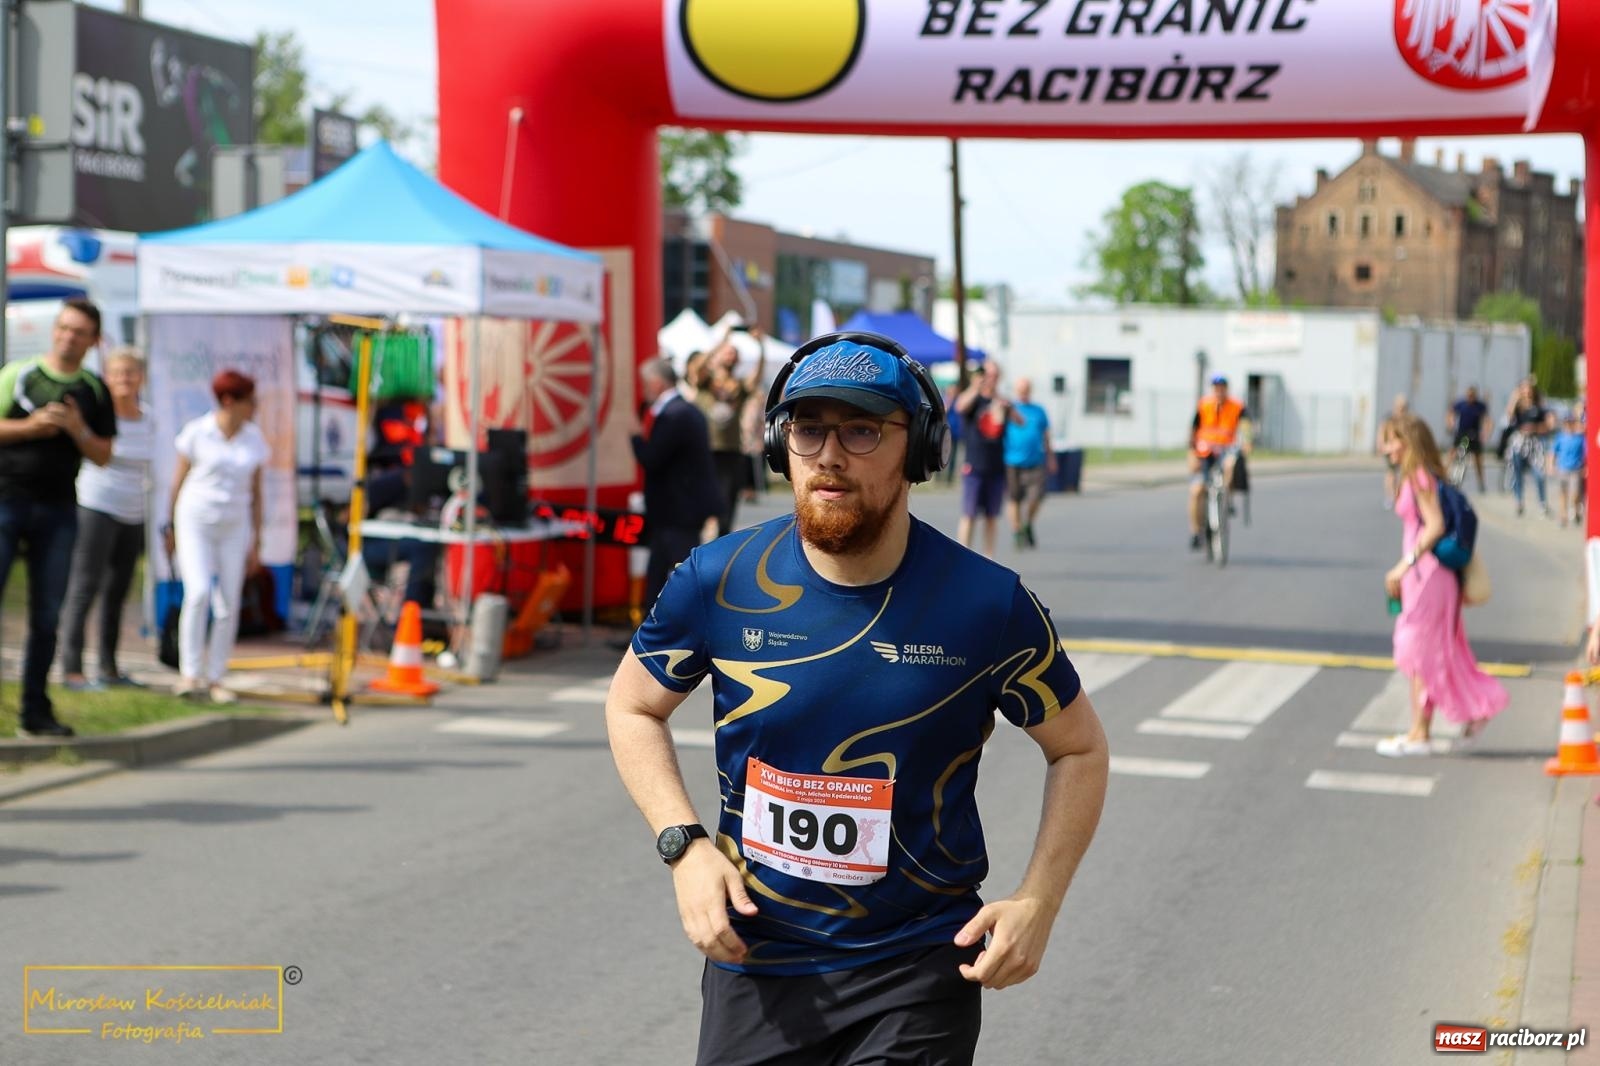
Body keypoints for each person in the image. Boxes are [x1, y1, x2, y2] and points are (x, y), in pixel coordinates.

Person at [605, 332, 1108, 1066]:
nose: (830, 455)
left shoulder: (985, 605)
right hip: (758, 963)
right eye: (809, 429)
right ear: (781, 445)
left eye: (863, 429)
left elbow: (1080, 747)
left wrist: (1040, 899)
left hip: (917, 969)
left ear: (921, 450)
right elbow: (632, 707)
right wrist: (683, 849)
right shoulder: (719, 580)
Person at [0, 298, 115, 737]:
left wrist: (75, 428)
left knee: (47, 613)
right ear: (55, 331)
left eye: (79, 332)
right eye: (64, 328)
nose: (69, 337)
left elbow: (104, 454)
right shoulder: (21, 373)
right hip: (8, 501)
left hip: (59, 509)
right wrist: (30, 428)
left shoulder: (93, 388)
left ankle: (35, 711)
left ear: (92, 340)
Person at [1376, 413, 1507, 757]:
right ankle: (1432, 726)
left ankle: (1421, 734)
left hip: (1428, 577)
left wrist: (1402, 568)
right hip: (1428, 577)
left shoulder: (1418, 477)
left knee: (1420, 651)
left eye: (1391, 440)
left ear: (1408, 441)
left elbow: (1432, 526)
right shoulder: (1418, 475)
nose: (1385, 447)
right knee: (1433, 652)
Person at [164, 371, 270, 705]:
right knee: (198, 593)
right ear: (230, 401)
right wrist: (169, 525)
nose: (254, 406)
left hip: (234, 524)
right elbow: (177, 481)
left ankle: (216, 676)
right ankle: (190, 672)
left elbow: (256, 492)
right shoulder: (198, 432)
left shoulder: (254, 438)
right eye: (249, 400)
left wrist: (257, 541)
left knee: (228, 603)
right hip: (195, 519)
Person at [58, 346, 154, 692]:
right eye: (117, 373)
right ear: (107, 378)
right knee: (84, 586)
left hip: (134, 512)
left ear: (141, 377)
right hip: (97, 506)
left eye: (130, 372)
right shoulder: (96, 414)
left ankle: (109, 668)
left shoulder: (150, 417)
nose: (124, 380)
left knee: (118, 592)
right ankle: (71, 668)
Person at [621, 357, 719, 641]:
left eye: (645, 384)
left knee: (682, 573)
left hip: (679, 510)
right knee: (659, 571)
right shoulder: (683, 411)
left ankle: (689, 633)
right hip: (673, 510)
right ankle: (647, 632)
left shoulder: (676, 415)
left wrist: (635, 438)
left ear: (656, 382)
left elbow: (653, 458)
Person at [955, 361, 1021, 558]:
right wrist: (976, 387)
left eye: (995, 375)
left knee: (992, 516)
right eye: (988, 374)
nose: (991, 379)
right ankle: (963, 554)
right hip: (974, 465)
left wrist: (1003, 402)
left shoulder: (1001, 401)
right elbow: (959, 407)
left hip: (996, 466)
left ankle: (988, 557)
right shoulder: (974, 399)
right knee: (969, 514)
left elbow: (1020, 421)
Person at [1188, 374, 1252, 550]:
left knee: (1231, 464)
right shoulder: (1204, 405)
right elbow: (1193, 432)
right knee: (1196, 491)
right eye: (1216, 388)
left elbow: (1246, 425)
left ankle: (1226, 500)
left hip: (1226, 450)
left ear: (1226, 389)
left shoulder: (1236, 406)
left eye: (1222, 387)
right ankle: (1196, 532)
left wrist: (1247, 442)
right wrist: (1192, 455)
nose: (1219, 391)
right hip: (1204, 452)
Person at [1004, 376, 1056, 549]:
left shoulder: (1038, 410)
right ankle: (1017, 530)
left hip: (1036, 460)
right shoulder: (1010, 409)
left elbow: (1046, 435)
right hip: (1012, 460)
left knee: (1036, 497)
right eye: (1020, 389)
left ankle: (1028, 523)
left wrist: (1051, 457)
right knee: (1014, 498)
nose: (1023, 392)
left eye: (1026, 389)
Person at [1505, 379, 1555, 517]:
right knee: (1517, 474)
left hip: (1534, 443)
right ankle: (1519, 502)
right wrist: (1514, 397)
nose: (1526, 392)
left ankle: (1542, 503)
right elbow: (1509, 417)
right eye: (1524, 389)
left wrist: (1535, 428)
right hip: (1519, 443)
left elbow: (1548, 425)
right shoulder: (1518, 407)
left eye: (1528, 389)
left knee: (1539, 474)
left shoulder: (1539, 407)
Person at [1449, 385, 1490, 493]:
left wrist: (1486, 432)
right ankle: (1445, 476)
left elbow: (1487, 420)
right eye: (1469, 395)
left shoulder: (1480, 406)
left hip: (1474, 434)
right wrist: (1451, 423)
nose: (1470, 397)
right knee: (1452, 454)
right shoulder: (1461, 404)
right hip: (1461, 433)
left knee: (1478, 460)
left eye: (1472, 395)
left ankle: (1481, 484)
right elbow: (1451, 413)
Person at [1549, 409, 1586, 528]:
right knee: (1563, 494)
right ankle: (1563, 516)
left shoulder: (1580, 438)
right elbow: (1553, 452)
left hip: (1575, 469)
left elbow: (1585, 454)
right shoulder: (1560, 437)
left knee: (1575, 494)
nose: (1569, 425)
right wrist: (1551, 465)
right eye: (1567, 422)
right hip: (1562, 469)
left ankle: (1576, 509)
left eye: (1571, 422)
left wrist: (1585, 467)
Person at [941, 382, 962, 485]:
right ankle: (939, 477)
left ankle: (949, 478)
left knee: (953, 456)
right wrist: (949, 400)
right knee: (941, 454)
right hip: (945, 433)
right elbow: (944, 411)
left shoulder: (959, 401)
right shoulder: (945, 400)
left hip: (955, 433)